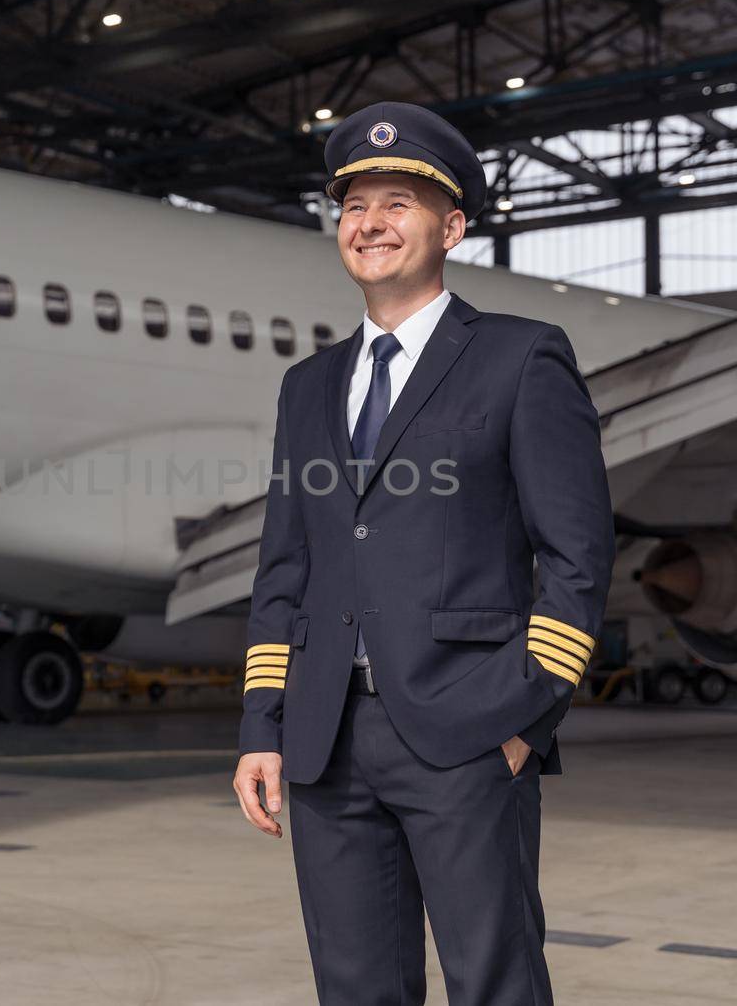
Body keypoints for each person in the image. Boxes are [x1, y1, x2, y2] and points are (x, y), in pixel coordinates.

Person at [230, 100, 615, 1005]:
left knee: (495, 982)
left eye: (398, 203)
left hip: (471, 728)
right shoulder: (308, 386)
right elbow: (286, 567)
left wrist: (526, 719)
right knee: (355, 988)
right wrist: (263, 724)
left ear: (451, 227)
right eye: (354, 206)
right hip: (326, 739)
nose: (370, 224)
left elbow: (577, 554)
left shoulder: (522, 360)